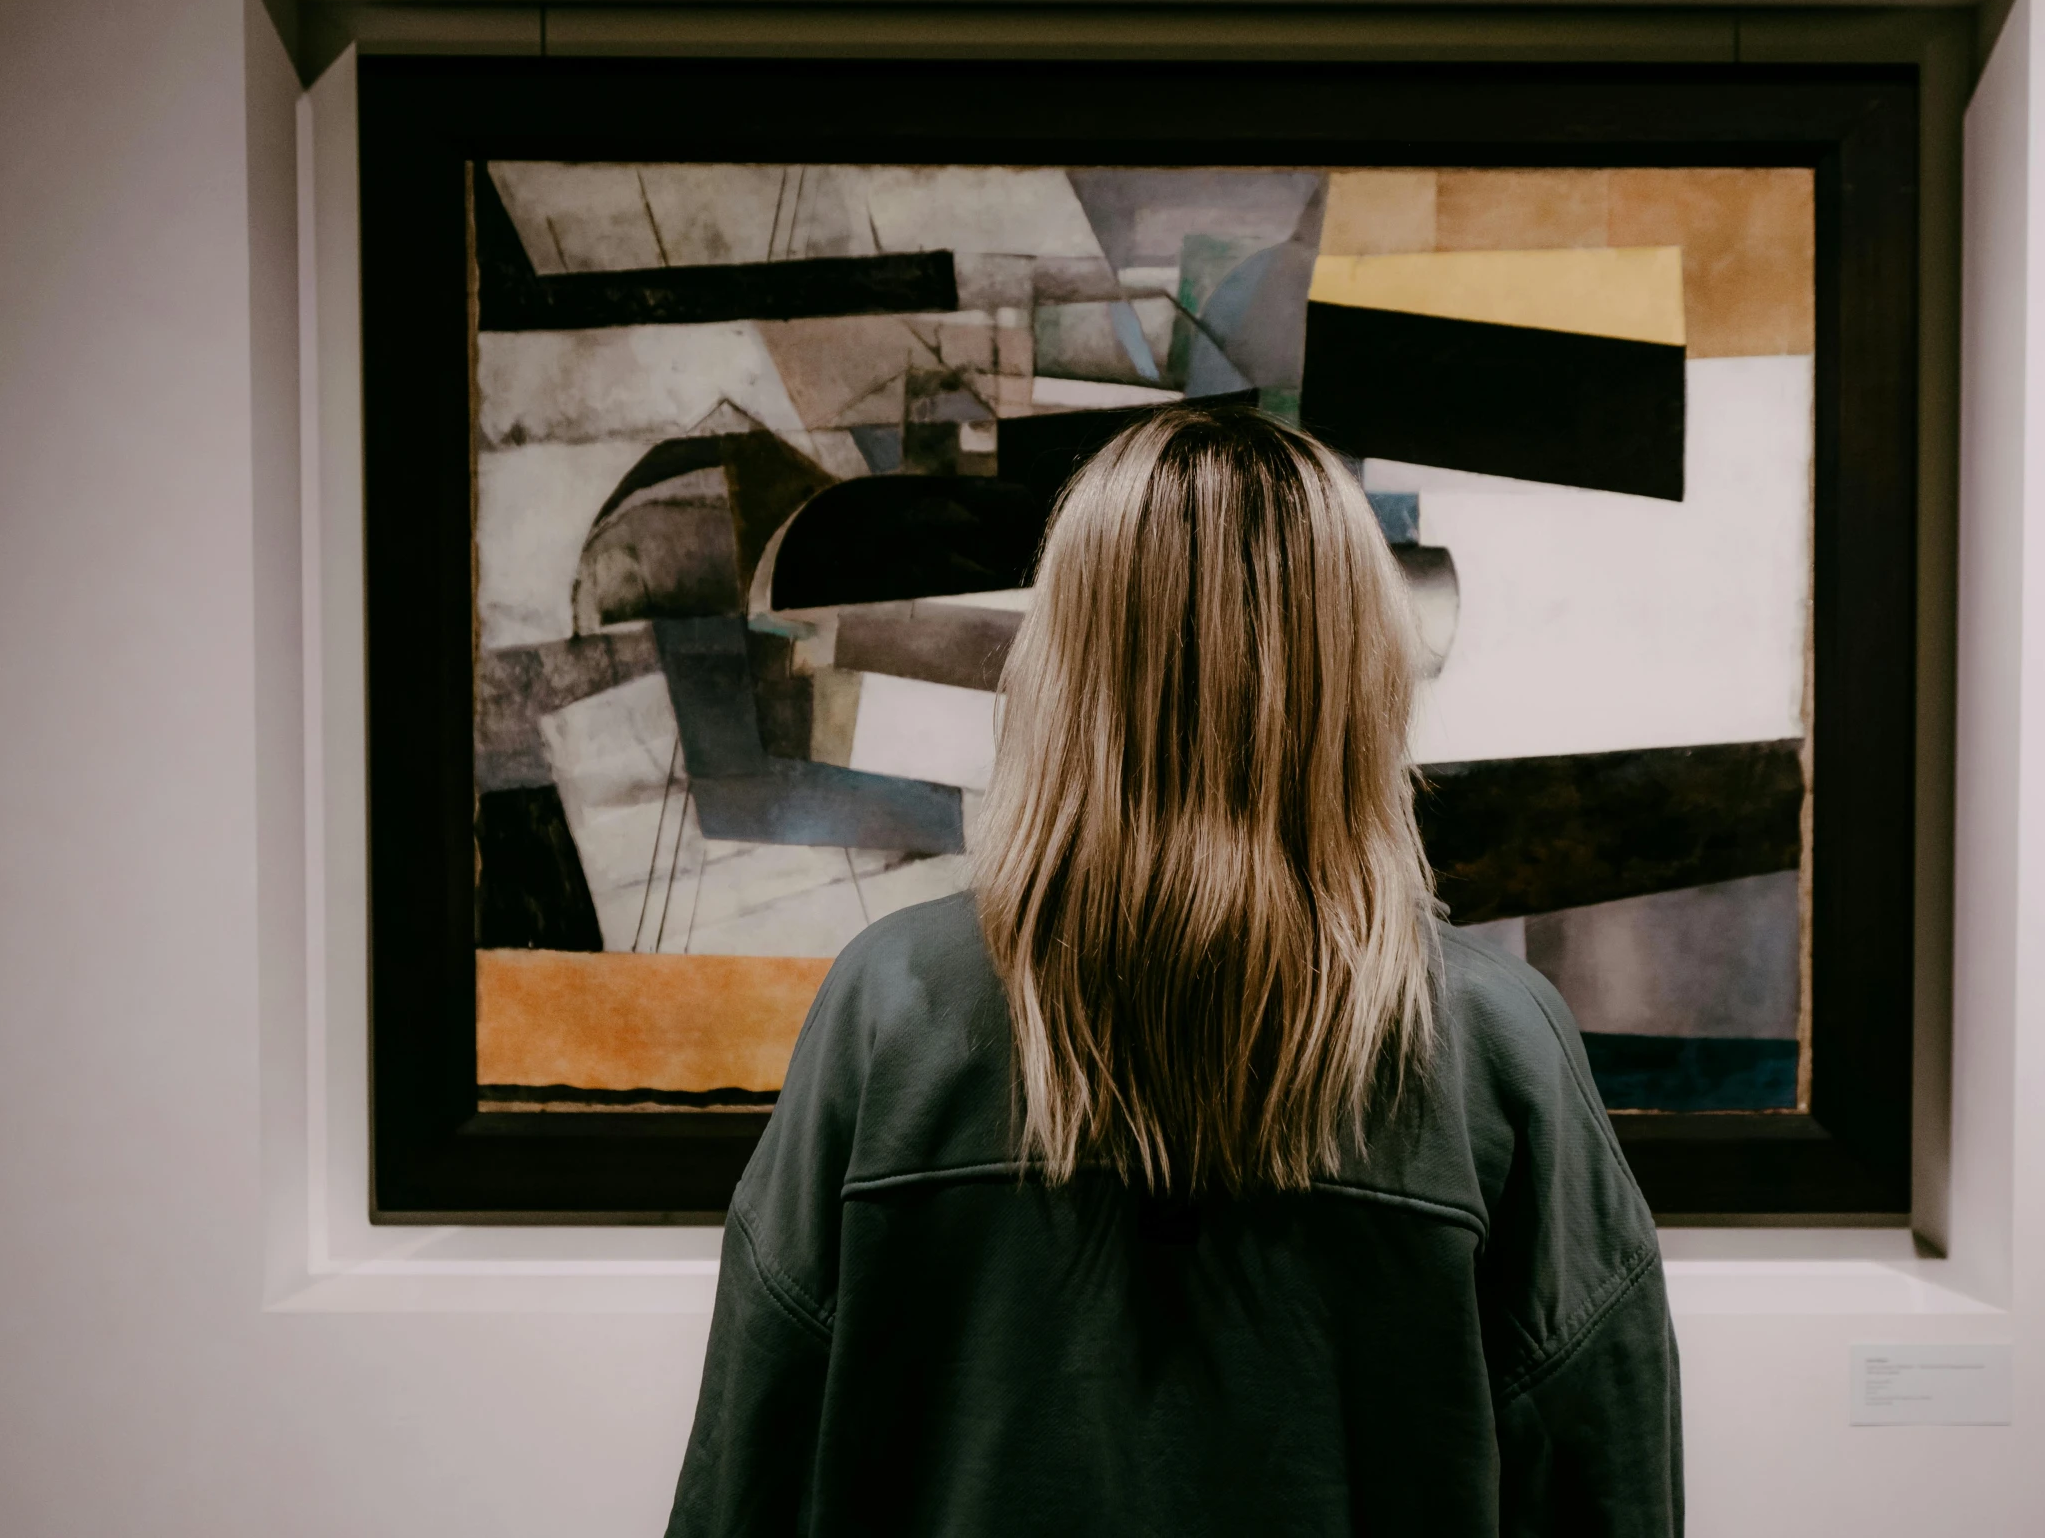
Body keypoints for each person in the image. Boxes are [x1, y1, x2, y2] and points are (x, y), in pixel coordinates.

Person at [664, 405, 1682, 1537]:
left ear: (1062, 665)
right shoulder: (1494, 1046)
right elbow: (1610, 1489)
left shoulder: (888, 1008)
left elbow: (747, 1479)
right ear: (1362, 671)